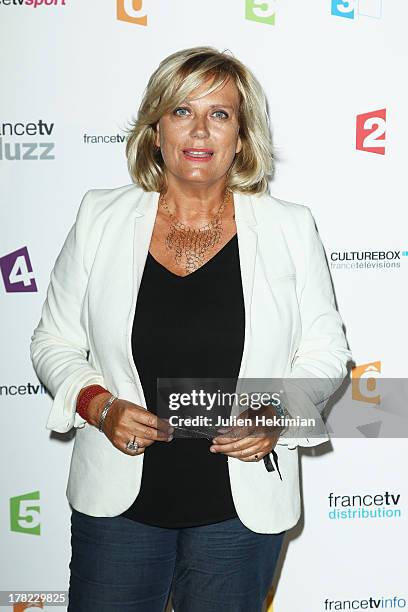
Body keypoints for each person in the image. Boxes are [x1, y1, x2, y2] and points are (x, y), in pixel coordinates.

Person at [30, 46, 352, 612]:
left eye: (220, 114)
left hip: (241, 510)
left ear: (242, 136)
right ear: (156, 129)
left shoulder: (289, 227)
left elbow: (326, 354)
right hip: (118, 508)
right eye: (182, 111)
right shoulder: (99, 217)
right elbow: (52, 342)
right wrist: (99, 406)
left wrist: (276, 411)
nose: (200, 129)